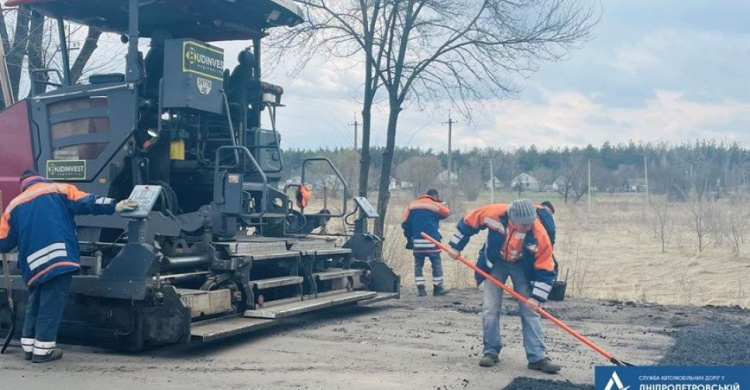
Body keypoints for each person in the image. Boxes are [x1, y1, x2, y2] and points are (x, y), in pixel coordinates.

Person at [0, 170, 137, 363]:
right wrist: (116, 205)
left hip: (33, 265)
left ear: (23, 185)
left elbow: (3, 242)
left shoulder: (14, 205)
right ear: (41, 179)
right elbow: (88, 202)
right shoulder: (59, 189)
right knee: (51, 303)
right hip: (59, 258)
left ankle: (29, 347)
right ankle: (43, 350)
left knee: (36, 302)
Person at [447, 199, 561, 373]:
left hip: (523, 265)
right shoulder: (493, 213)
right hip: (496, 262)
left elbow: (545, 268)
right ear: (511, 219)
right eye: (524, 225)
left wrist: (536, 297)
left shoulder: (539, 232)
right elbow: (467, 223)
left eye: (530, 223)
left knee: (530, 310)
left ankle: (537, 357)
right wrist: (455, 246)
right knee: (490, 308)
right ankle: (491, 351)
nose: (528, 227)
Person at [401, 189, 450, 297]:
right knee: (436, 264)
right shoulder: (435, 205)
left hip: (418, 240)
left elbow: (405, 223)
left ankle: (421, 290)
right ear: (435, 196)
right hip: (432, 240)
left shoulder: (412, 205)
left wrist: (410, 238)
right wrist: (441, 204)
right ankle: (438, 289)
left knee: (418, 265)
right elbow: (446, 213)